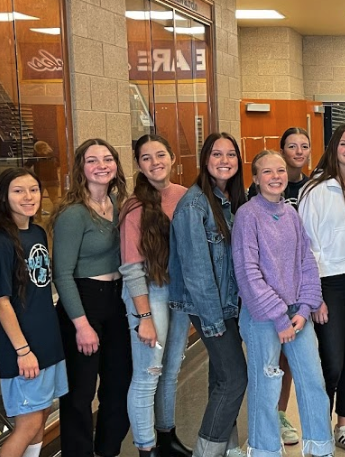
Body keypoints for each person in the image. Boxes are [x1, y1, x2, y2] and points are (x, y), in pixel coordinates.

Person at [233, 150, 334, 457]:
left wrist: (304, 309)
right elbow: (248, 273)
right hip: (262, 317)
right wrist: (279, 318)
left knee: (313, 380)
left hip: (297, 315)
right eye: (267, 172)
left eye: (279, 171)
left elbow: (305, 262)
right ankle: (264, 449)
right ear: (255, 179)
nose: (275, 177)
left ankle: (319, 447)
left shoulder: (291, 213)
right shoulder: (247, 216)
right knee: (266, 387)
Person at [169, 133, 248, 457]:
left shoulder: (230, 200)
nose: (225, 160)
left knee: (220, 380)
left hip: (228, 306)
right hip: (209, 308)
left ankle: (227, 449)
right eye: (217, 154)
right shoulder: (194, 204)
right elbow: (197, 270)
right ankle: (207, 452)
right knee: (234, 380)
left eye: (231, 154)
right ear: (205, 160)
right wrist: (214, 321)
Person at [52, 138, 131, 457]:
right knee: (80, 394)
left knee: (118, 386)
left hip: (116, 302)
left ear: (116, 165)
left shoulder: (119, 205)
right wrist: (82, 325)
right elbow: (62, 275)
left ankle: (107, 450)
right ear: (81, 168)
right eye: (92, 160)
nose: (101, 165)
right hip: (83, 303)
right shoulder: (73, 214)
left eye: (107, 159)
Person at [0, 168, 67, 457]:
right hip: (23, 347)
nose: (28, 197)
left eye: (33, 189)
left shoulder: (37, 232)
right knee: (27, 425)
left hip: (46, 341)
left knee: (40, 418)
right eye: (18, 191)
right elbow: (1, 302)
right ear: (4, 197)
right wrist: (23, 350)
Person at [298, 124, 345, 456]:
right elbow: (304, 245)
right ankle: (318, 431)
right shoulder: (315, 189)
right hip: (328, 283)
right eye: (344, 143)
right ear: (334, 147)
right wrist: (313, 295)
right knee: (330, 362)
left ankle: (343, 426)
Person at [118, 135, 192, 457]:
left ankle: (166, 438)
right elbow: (132, 269)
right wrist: (144, 318)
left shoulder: (187, 197)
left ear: (172, 157)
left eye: (160, 154)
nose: (155, 162)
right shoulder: (134, 206)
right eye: (146, 158)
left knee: (171, 368)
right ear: (138, 164)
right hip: (149, 293)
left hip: (180, 292)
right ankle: (146, 448)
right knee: (149, 373)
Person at [247, 127, 312, 445]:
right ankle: (264, 441)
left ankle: (286, 422)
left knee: (302, 371)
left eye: (304, 146)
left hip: (300, 299)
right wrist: (277, 312)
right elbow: (250, 268)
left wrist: (308, 301)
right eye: (292, 146)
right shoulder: (252, 210)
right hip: (266, 307)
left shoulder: (308, 195)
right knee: (267, 374)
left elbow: (307, 256)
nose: (298, 151)